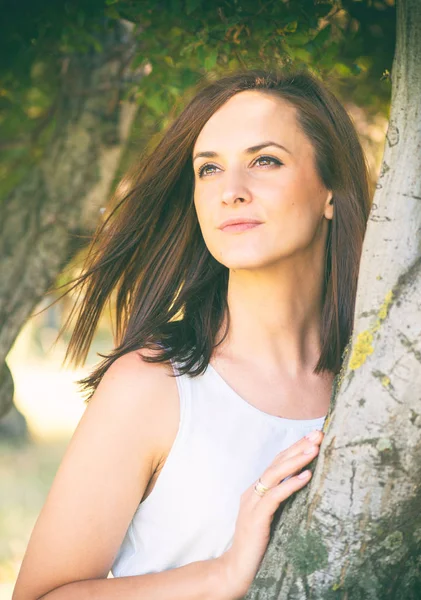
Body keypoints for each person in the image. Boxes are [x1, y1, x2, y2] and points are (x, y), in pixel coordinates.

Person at [13, 68, 371, 600]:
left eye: (265, 161)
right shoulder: (154, 386)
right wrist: (222, 574)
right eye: (209, 169)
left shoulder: (382, 381)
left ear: (332, 191)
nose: (231, 191)